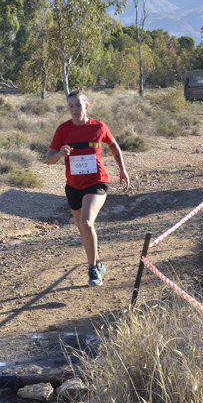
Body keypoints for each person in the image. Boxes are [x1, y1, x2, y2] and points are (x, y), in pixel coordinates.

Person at [46, 89, 130, 287]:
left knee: (86, 223)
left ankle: (92, 269)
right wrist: (59, 154)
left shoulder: (98, 127)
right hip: (73, 186)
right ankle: (98, 263)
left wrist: (122, 168)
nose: (75, 109)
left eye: (78, 105)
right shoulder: (63, 130)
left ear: (86, 106)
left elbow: (113, 145)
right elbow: (48, 159)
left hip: (97, 182)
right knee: (83, 231)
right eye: (71, 106)